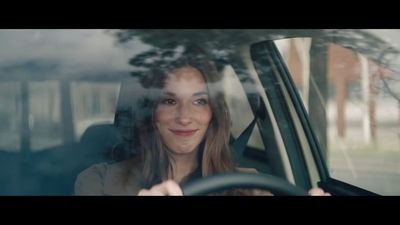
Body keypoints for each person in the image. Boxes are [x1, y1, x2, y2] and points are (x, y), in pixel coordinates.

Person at [74, 45, 330, 196]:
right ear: (152, 113)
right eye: (169, 101)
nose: (185, 116)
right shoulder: (99, 182)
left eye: (199, 101)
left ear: (213, 114)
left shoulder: (250, 186)